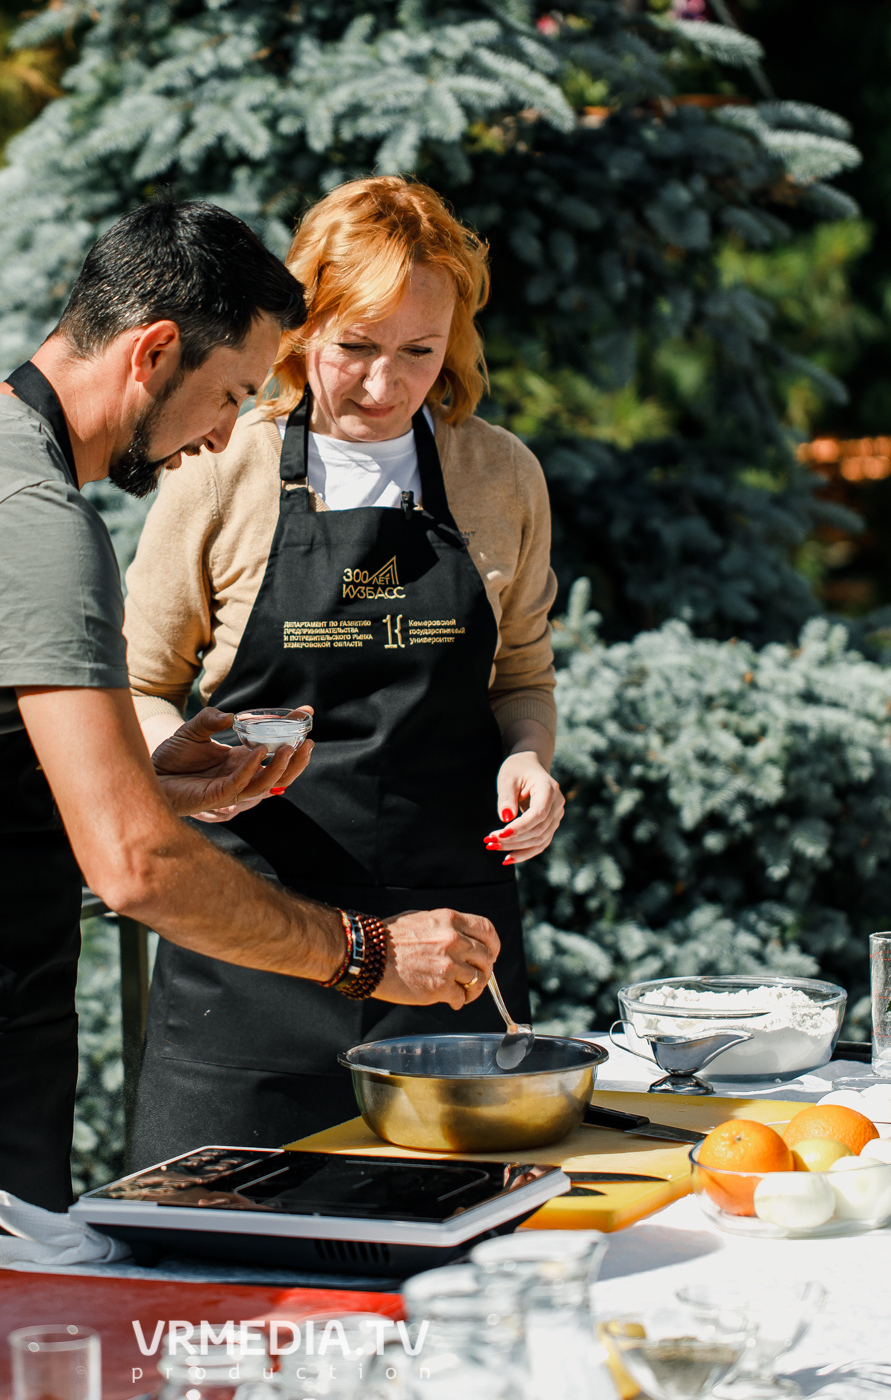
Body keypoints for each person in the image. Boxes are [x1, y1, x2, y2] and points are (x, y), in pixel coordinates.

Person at [0, 200, 503, 1344]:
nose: (223, 434)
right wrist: (367, 951)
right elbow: (136, 868)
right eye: (229, 393)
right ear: (154, 350)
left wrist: (161, 775)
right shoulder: (32, 514)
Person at [120, 177, 565, 1164]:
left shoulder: (500, 476)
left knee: (455, 1233)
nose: (384, 384)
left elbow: (522, 677)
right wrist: (185, 769)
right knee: (223, 1238)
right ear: (301, 326)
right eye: (355, 346)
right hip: (254, 950)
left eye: (420, 351)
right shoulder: (222, 468)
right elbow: (139, 683)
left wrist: (528, 758)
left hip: (449, 943)